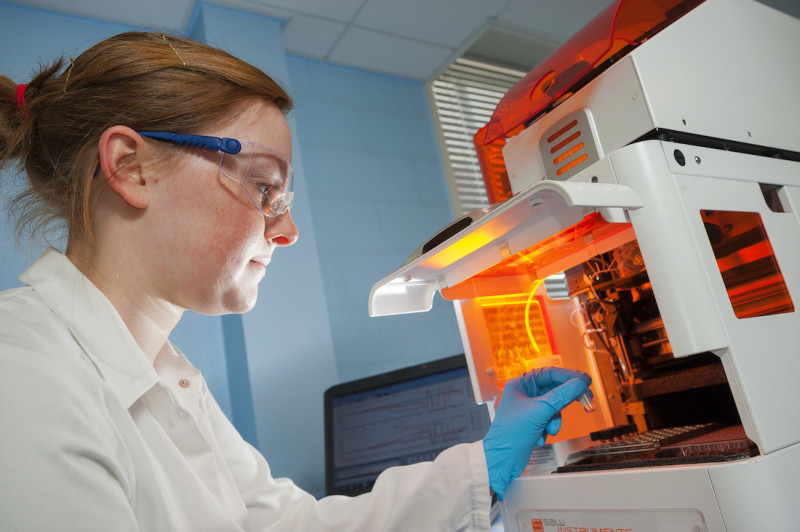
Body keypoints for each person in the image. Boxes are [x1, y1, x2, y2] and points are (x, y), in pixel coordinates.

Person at [0, 32, 591, 531]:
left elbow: (287, 525)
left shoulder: (165, 376)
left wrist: (485, 466)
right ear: (131, 167)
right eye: (264, 187)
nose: (288, 230)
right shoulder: (23, 377)